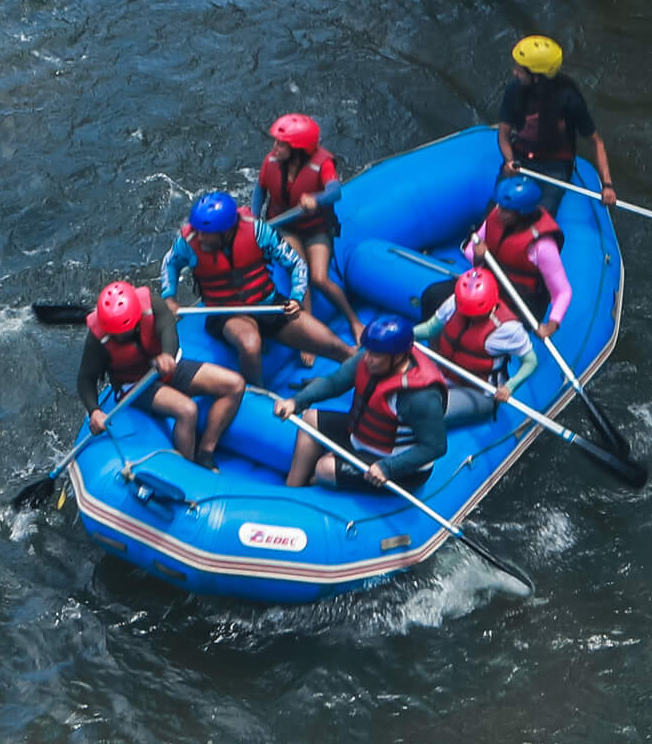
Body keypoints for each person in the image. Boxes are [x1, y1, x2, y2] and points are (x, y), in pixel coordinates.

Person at [159, 191, 355, 389]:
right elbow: (169, 264)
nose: (199, 237)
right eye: (198, 230)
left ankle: (363, 380)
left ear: (226, 231)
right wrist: (169, 298)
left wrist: (296, 298)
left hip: (268, 304)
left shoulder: (257, 231)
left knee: (335, 346)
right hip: (226, 313)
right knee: (250, 344)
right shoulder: (188, 242)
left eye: (206, 233)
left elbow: (296, 265)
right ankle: (259, 392)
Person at [75, 281, 244, 469]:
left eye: (123, 333)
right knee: (187, 411)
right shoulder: (97, 338)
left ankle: (205, 453)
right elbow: (85, 379)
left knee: (235, 384)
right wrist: (94, 411)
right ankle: (189, 469)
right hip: (135, 385)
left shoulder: (151, 304)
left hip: (167, 368)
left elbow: (167, 326)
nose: (119, 338)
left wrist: (167, 354)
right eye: (114, 334)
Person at [271, 313, 449, 490]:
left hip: (400, 464)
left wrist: (388, 468)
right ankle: (291, 489)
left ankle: (320, 480)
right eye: (368, 350)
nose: (368, 358)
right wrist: (296, 401)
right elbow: (334, 383)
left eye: (377, 355)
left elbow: (435, 447)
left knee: (324, 468)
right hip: (362, 436)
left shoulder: (419, 396)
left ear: (398, 356)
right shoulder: (368, 359)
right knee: (309, 418)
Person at [253, 113, 358, 345]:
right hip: (285, 226)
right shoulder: (271, 160)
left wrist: (316, 199)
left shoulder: (323, 163)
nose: (274, 147)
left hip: (315, 227)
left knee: (319, 277)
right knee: (299, 270)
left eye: (281, 144)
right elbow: (260, 190)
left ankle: (353, 321)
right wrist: (253, 218)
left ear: (298, 148)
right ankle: (309, 335)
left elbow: (335, 191)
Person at [497, 35, 617, 213]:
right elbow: (503, 134)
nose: (515, 72)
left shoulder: (569, 99)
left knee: (540, 216)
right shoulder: (514, 90)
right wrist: (510, 160)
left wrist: (607, 185)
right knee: (499, 207)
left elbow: (596, 142)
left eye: (520, 69)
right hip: (520, 158)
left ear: (536, 76)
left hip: (554, 167)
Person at [412, 268, 536, 428]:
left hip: (478, 391)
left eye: (475, 313)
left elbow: (530, 361)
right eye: (466, 312)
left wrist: (510, 386)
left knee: (425, 413)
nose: (469, 316)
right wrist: (404, 334)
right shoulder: (456, 302)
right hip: (442, 372)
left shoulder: (508, 329)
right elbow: (430, 329)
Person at [459, 175, 572, 332]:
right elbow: (470, 250)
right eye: (500, 206)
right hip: (488, 288)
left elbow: (563, 292)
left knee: (486, 331)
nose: (499, 212)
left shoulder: (542, 245)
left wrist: (552, 325)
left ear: (522, 213)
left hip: (520, 302)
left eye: (506, 210)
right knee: (434, 295)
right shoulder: (495, 219)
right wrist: (478, 255)